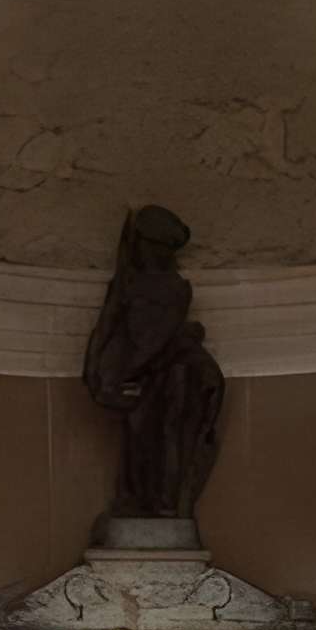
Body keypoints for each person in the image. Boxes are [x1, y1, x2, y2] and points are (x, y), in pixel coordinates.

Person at [83, 205, 225, 519]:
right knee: (137, 441)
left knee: (167, 438)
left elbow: (156, 338)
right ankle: (138, 500)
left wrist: (119, 375)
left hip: (166, 374)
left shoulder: (176, 289)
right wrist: (94, 373)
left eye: (155, 246)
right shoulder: (127, 283)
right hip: (137, 377)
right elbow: (107, 326)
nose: (149, 252)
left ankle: (165, 501)